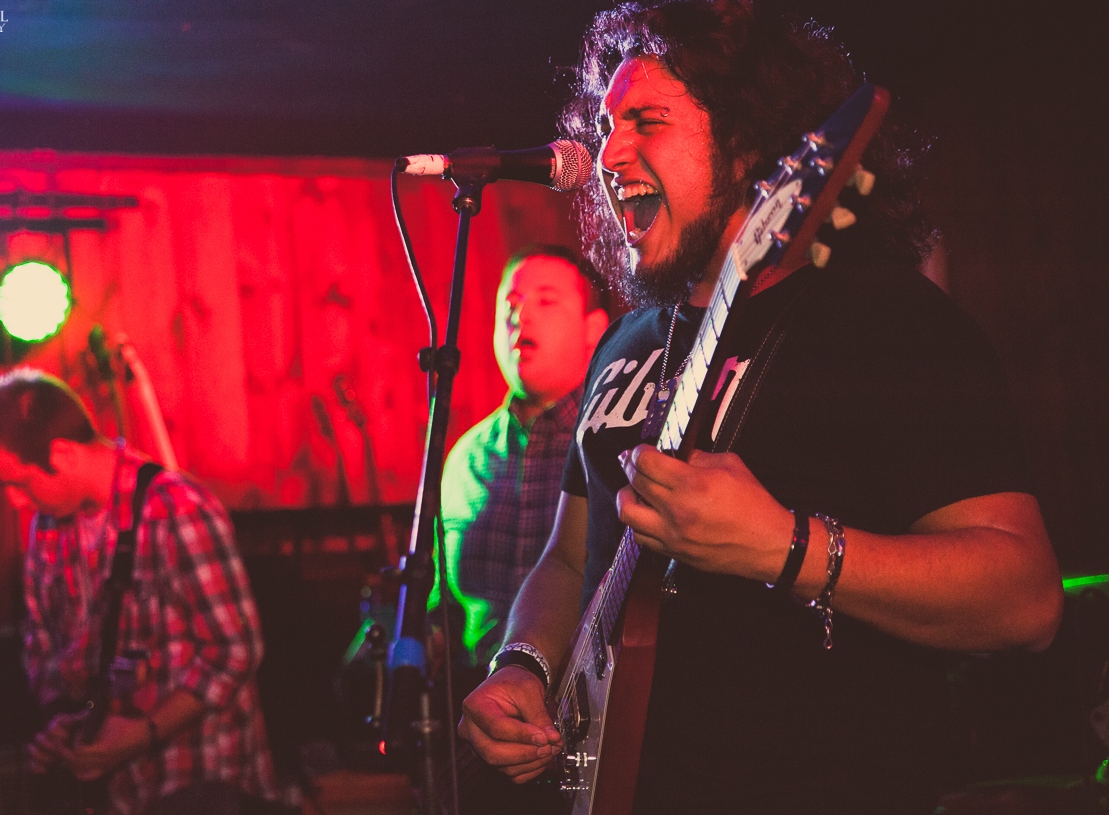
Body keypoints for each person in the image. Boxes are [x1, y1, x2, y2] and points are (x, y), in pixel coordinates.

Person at [457, 2, 1064, 813]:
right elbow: (570, 559)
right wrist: (522, 664)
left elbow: (1024, 599)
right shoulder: (624, 344)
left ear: (750, 146)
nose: (607, 152)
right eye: (606, 124)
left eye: (646, 120)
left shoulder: (884, 322)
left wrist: (784, 545)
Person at [0, 369, 282, 815]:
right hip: (115, 794)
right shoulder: (49, 527)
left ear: (63, 453)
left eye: (20, 483)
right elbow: (45, 649)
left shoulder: (178, 509)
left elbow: (236, 651)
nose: (15, 502)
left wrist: (141, 734)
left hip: (202, 780)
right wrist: (66, 723)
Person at [431, 245, 609, 669]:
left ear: (594, 330)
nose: (521, 317)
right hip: (481, 704)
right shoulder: (467, 459)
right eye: (511, 305)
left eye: (546, 301)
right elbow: (441, 610)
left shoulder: (611, 442)